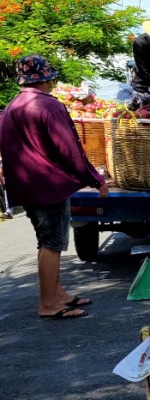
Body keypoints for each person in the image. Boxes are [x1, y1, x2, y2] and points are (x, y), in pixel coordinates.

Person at [0, 55, 109, 320]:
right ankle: (49, 303)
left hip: (27, 186)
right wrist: (96, 179)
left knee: (46, 241)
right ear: (46, 78)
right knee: (52, 243)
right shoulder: (48, 106)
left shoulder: (11, 107)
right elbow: (70, 150)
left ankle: (57, 293)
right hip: (48, 186)